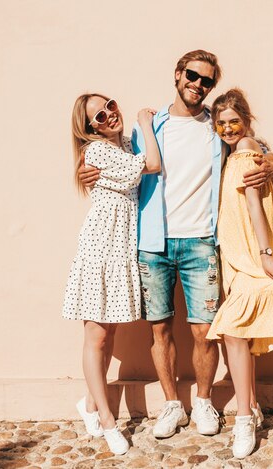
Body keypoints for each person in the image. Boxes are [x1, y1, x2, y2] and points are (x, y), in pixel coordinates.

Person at [77, 50, 273, 439]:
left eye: (206, 80)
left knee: (204, 332)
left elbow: (250, 145)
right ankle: (172, 404)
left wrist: (270, 161)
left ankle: (202, 402)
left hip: (202, 241)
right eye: (192, 75)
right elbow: (113, 158)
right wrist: (87, 169)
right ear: (177, 74)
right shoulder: (148, 129)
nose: (198, 85)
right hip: (153, 245)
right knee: (160, 331)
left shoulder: (215, 129)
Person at [64, 94, 161, 455]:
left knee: (110, 333)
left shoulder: (119, 144)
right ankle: (107, 420)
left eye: (111, 107)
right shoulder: (99, 152)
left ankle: (89, 403)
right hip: (102, 248)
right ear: (90, 127)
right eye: (99, 117)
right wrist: (145, 122)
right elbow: (151, 163)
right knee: (97, 336)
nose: (109, 117)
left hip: (121, 246)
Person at [206, 88, 273, 458]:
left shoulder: (244, 153)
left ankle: (244, 419)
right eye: (221, 123)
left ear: (246, 120)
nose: (227, 128)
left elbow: (255, 206)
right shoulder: (236, 152)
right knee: (240, 336)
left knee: (234, 331)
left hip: (248, 255)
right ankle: (252, 406)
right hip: (234, 257)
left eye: (233, 121)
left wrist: (265, 254)